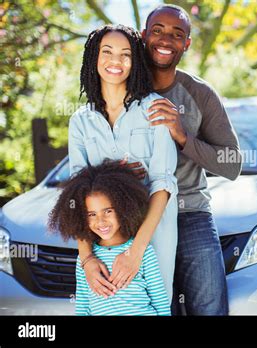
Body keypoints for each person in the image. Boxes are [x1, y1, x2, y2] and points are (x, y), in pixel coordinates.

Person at [142, 4, 242, 315]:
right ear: (144, 35)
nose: (165, 40)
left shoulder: (199, 94)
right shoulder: (122, 88)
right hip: (136, 219)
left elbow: (232, 163)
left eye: (176, 34)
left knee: (209, 308)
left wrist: (183, 137)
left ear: (186, 44)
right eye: (157, 31)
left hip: (190, 213)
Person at [68, 24, 178, 304]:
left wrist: (136, 251)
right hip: (102, 238)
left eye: (125, 54)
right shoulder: (81, 121)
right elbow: (77, 195)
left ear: (135, 62)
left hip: (153, 233)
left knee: (154, 306)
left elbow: (163, 183)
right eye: (107, 52)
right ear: (94, 57)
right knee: (106, 305)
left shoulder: (156, 108)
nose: (115, 61)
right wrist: (87, 259)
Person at [48, 161, 170, 316]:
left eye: (108, 211)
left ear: (124, 207)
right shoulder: (84, 261)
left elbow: (160, 302)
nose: (100, 221)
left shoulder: (144, 253)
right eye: (92, 214)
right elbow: (83, 307)